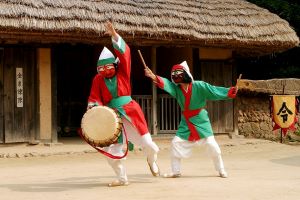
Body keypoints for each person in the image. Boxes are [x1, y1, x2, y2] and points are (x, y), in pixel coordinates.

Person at [87, 21, 160, 187]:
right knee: (111, 152)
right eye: (101, 68)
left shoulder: (122, 72)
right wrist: (94, 109)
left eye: (108, 67)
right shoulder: (97, 79)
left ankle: (152, 161)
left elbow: (125, 55)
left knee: (149, 145)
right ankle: (122, 179)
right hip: (113, 117)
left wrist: (114, 35)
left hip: (131, 111)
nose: (105, 70)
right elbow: (94, 97)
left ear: (114, 65)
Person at [144, 61, 238, 178]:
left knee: (212, 144)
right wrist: (153, 76)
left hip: (201, 120)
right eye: (174, 74)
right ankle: (176, 171)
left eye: (179, 73)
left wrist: (229, 91)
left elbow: (214, 90)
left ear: (186, 74)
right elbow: (166, 84)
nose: (176, 76)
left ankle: (221, 169)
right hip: (186, 121)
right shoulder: (176, 89)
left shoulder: (200, 86)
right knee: (176, 143)